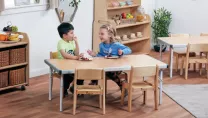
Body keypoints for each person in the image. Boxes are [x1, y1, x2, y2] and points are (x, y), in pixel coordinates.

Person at [87, 24, 132, 93]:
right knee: (96, 67)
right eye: (99, 34)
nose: (100, 36)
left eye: (102, 34)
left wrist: (122, 52)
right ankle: (94, 83)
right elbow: (101, 56)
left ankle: (122, 86)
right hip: (105, 66)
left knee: (110, 72)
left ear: (110, 35)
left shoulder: (116, 45)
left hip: (116, 67)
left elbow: (129, 49)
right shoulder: (101, 45)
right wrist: (94, 54)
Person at [57, 22, 83, 97]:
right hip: (63, 66)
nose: (73, 35)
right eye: (71, 33)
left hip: (72, 65)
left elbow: (76, 53)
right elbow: (64, 55)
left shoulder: (71, 42)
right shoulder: (61, 43)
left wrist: (76, 42)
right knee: (67, 77)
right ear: (65, 35)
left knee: (80, 73)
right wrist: (76, 57)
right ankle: (64, 89)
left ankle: (77, 89)